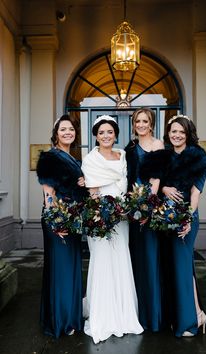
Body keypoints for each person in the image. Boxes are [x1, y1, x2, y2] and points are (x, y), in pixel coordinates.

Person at [81, 115, 143, 344]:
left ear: (115, 134)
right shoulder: (90, 159)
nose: (106, 136)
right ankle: (103, 316)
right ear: (96, 136)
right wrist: (102, 217)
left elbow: (125, 188)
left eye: (109, 132)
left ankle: (124, 315)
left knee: (120, 259)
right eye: (101, 133)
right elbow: (93, 193)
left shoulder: (123, 155)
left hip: (123, 219)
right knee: (103, 262)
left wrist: (123, 211)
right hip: (101, 219)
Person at [160, 114, 206, 337]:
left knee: (182, 266)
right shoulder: (165, 155)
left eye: (181, 131)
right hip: (164, 217)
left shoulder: (197, 156)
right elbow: (158, 183)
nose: (177, 135)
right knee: (174, 267)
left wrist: (187, 219)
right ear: (168, 133)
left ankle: (189, 320)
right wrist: (164, 189)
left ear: (188, 134)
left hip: (186, 218)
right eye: (173, 131)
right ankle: (196, 313)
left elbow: (195, 192)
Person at [36, 114, 87, 338]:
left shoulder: (75, 159)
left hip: (73, 219)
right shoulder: (49, 157)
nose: (68, 132)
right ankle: (62, 321)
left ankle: (71, 317)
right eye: (63, 129)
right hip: (57, 219)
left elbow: (77, 190)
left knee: (73, 269)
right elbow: (48, 193)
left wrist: (84, 184)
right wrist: (55, 220)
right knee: (61, 271)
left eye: (71, 129)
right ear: (56, 133)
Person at [125, 108, 165, 331]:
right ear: (134, 124)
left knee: (150, 259)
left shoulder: (158, 145)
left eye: (145, 121)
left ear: (151, 124)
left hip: (149, 210)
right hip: (133, 211)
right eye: (137, 121)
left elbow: (156, 179)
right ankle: (137, 313)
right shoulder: (130, 148)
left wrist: (147, 206)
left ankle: (153, 316)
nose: (141, 124)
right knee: (136, 260)